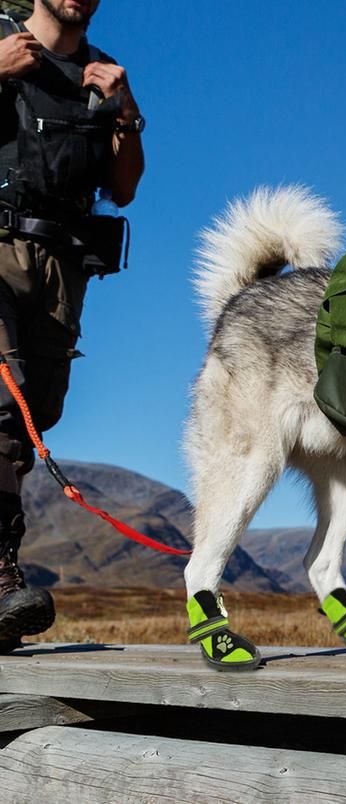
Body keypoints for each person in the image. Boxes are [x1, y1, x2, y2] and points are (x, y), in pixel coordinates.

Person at [0, 0, 144, 651]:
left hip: (61, 267)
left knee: (37, 414)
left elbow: (125, 187)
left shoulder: (103, 72)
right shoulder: (2, 41)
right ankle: (2, 581)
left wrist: (126, 113)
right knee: (5, 409)